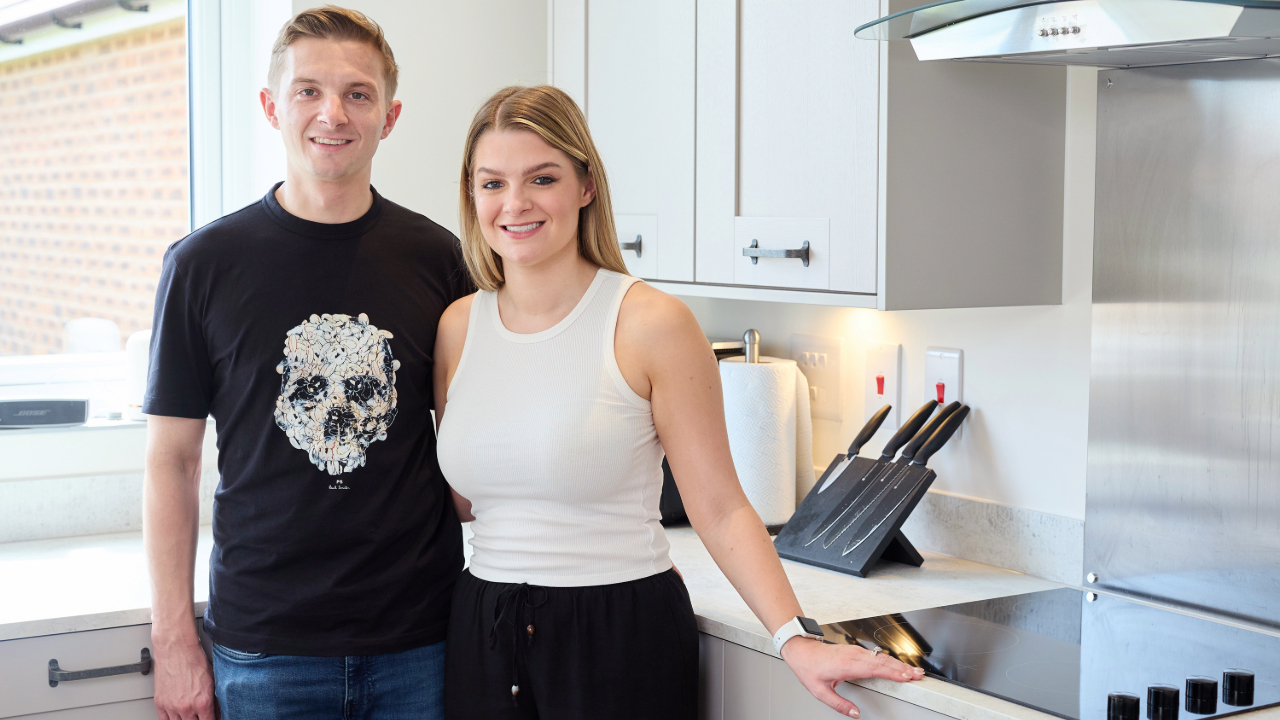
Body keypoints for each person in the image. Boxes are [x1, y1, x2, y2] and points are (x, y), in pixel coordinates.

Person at [433, 85, 924, 720]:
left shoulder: (651, 324)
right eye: (492, 183)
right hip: (483, 631)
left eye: (542, 178)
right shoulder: (456, 328)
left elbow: (719, 508)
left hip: (616, 632)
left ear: (585, 185)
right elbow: (469, 501)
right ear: (471, 197)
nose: (515, 203)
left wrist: (794, 636)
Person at [143, 7, 469, 719]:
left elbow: (474, 442)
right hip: (265, 648)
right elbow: (172, 462)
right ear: (271, 107)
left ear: (390, 115)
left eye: (358, 93)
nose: (333, 113)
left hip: (423, 642)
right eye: (308, 90)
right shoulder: (201, 266)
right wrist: (172, 639)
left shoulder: (440, 261)